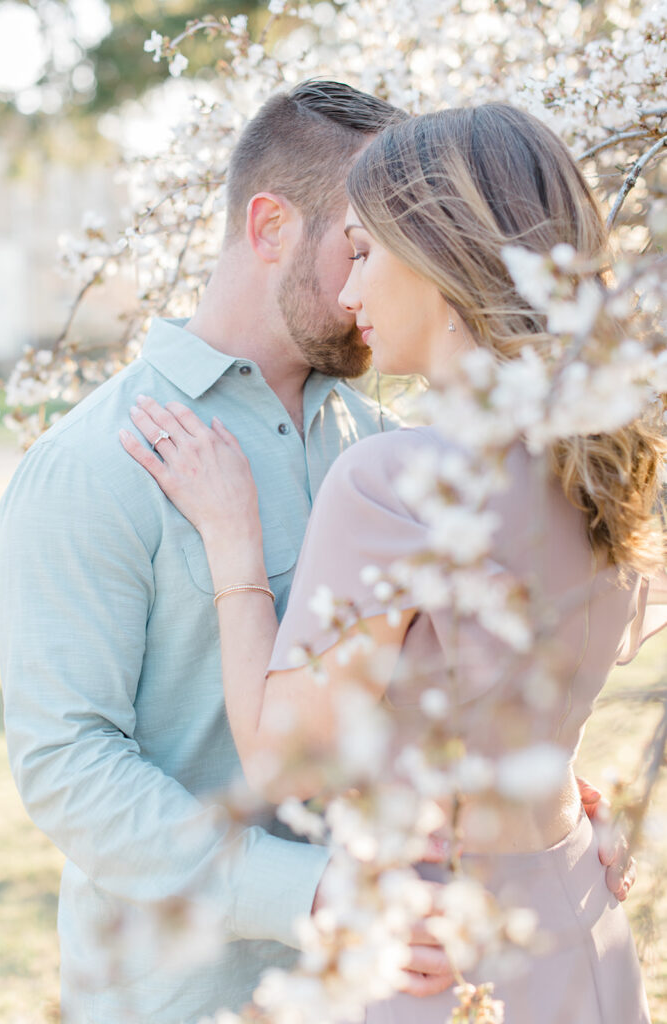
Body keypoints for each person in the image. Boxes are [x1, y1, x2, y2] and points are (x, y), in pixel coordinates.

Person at [122, 104, 667, 1023]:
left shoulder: (395, 480)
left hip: (439, 954)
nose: (348, 294)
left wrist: (233, 540)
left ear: (441, 258)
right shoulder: (602, 464)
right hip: (580, 916)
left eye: (366, 253)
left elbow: (282, 757)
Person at [0, 81, 444, 1024]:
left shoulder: (382, 440)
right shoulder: (90, 464)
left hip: (386, 989)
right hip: (186, 999)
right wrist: (306, 891)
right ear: (271, 224)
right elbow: (69, 764)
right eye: (361, 245)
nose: (383, 275)